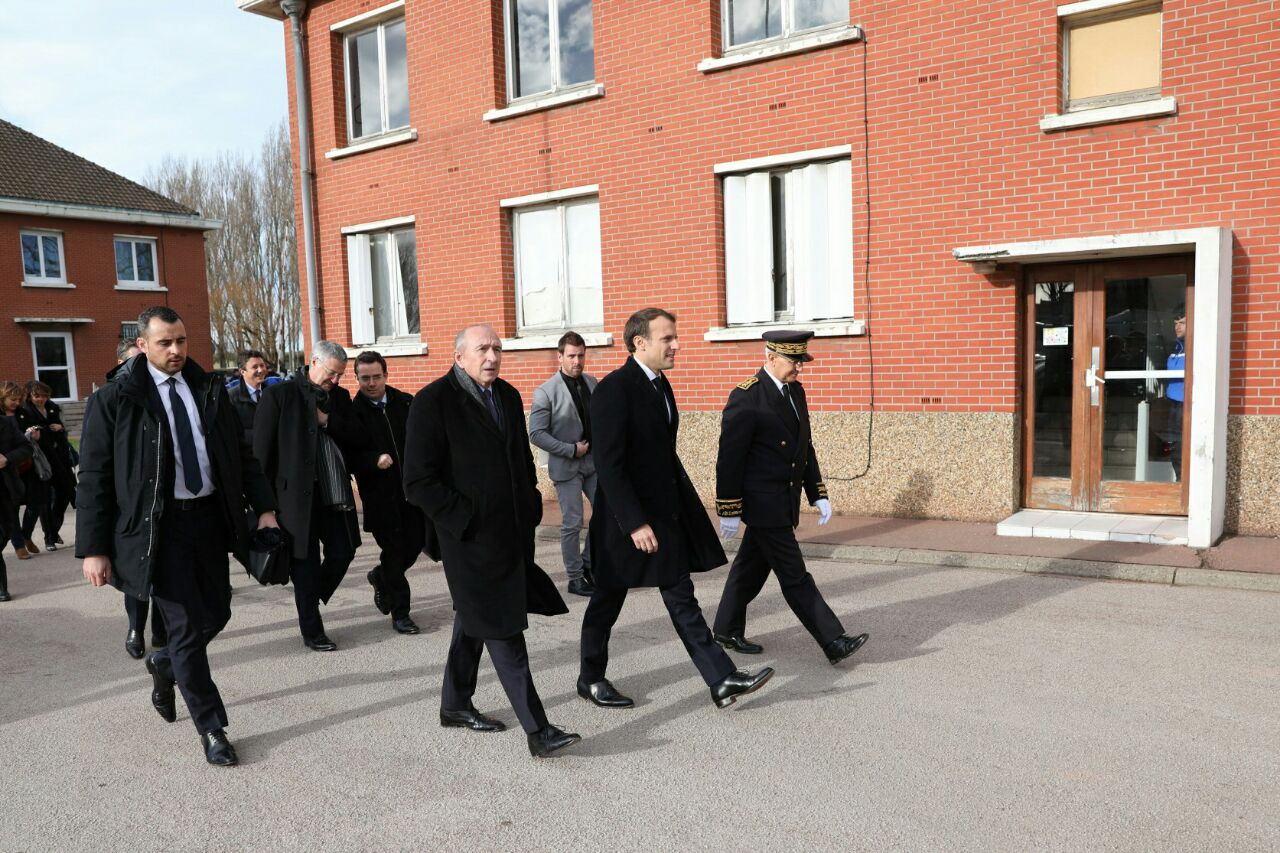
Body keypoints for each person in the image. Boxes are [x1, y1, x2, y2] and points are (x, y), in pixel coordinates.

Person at [77, 306, 279, 767]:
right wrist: (93, 548)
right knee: (185, 626)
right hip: (157, 529)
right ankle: (211, 727)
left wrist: (265, 509)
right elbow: (93, 477)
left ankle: (164, 662)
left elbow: (241, 455)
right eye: (165, 343)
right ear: (142, 345)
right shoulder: (115, 398)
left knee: (218, 611)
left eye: (181, 341)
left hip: (209, 520)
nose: (175, 350)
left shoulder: (208, 389)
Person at [579, 308, 774, 711]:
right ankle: (591, 678)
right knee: (606, 601)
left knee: (681, 596)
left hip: (663, 517)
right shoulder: (614, 389)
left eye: (675, 337)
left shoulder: (659, 384)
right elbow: (609, 466)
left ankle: (721, 679)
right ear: (640, 343)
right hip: (622, 522)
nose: (677, 345)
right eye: (667, 338)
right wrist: (634, 523)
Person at [403, 324, 580, 758]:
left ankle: (454, 703)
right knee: (502, 626)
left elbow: (520, 457)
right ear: (459, 356)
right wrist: (466, 520)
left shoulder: (507, 395)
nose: (492, 356)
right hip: (469, 540)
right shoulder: (433, 401)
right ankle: (538, 730)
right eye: (482, 349)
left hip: (511, 533)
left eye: (497, 348)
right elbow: (417, 481)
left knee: (474, 617)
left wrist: (531, 501)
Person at [712, 331, 870, 664]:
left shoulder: (795, 392)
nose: (799, 367)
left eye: (801, 361)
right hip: (763, 504)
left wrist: (817, 492)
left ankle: (725, 629)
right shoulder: (747, 397)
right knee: (795, 576)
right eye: (793, 361)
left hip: (784, 500)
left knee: (749, 570)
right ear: (770, 357)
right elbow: (730, 459)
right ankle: (833, 640)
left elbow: (804, 448)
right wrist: (729, 507)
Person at [254, 340, 361, 652]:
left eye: (340, 375)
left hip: (333, 493)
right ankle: (312, 630)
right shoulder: (280, 395)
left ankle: (310, 597)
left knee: (343, 551)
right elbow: (261, 454)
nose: (335, 380)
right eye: (331, 373)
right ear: (314, 362)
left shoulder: (340, 397)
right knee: (305, 565)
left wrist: (328, 421)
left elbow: (356, 436)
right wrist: (265, 506)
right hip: (293, 500)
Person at [344, 350, 427, 635]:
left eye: (376, 377)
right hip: (380, 498)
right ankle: (401, 614)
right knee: (393, 552)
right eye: (364, 378)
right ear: (357, 378)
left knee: (414, 545)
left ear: (386, 375)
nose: (371, 383)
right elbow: (348, 456)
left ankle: (380, 575)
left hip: (412, 495)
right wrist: (372, 460)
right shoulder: (353, 413)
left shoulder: (406, 402)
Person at [529, 331, 598, 597]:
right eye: (571, 356)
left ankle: (589, 563)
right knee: (573, 521)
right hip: (567, 466)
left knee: (607, 514)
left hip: (593, 463)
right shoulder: (545, 392)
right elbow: (536, 433)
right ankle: (575, 577)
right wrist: (570, 450)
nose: (577, 361)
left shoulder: (592, 382)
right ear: (560, 357)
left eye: (580, 355)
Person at [19, 381, 76, 552]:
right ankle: (49, 537)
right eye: (37, 396)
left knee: (65, 493)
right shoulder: (25, 412)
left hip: (60, 458)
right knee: (46, 499)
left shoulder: (52, 408)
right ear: (30, 396)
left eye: (44, 396)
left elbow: (62, 430)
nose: (41, 399)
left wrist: (60, 427)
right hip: (41, 460)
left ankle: (54, 530)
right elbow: (24, 435)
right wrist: (37, 434)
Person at [0, 381, 38, 560]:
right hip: (7, 476)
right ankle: (19, 545)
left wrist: (36, 434)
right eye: (12, 399)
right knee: (11, 512)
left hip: (26, 466)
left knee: (36, 502)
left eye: (18, 399)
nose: (16, 403)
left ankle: (26, 535)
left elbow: (25, 446)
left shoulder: (22, 414)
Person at [0, 405, 34, 600]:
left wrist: (7, 459)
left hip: (6, 491)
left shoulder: (6, 423)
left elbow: (27, 448)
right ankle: (1, 589)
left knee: (4, 533)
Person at [227, 349, 276, 449]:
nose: (261, 370)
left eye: (262, 365)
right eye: (255, 367)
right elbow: (231, 434)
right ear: (242, 371)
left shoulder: (274, 394)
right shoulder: (231, 398)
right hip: (246, 455)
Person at [1166, 306, 1187, 482]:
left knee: (1182, 445)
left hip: (1186, 404)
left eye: (1182, 322)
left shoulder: (1194, 347)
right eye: (1175, 323)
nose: (1177, 327)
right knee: (1174, 446)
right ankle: (1179, 480)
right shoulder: (1176, 348)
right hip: (1173, 403)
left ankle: (1183, 481)